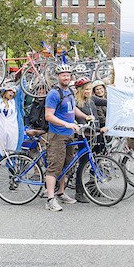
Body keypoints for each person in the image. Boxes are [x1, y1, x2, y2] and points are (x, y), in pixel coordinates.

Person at [43, 64, 94, 211]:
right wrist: (66, 124)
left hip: (69, 134)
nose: (66, 77)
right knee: (54, 167)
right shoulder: (54, 94)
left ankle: (61, 192)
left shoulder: (69, 91)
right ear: (58, 76)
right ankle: (50, 200)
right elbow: (48, 116)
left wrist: (85, 116)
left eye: (68, 75)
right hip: (57, 135)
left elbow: (73, 108)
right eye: (63, 75)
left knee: (67, 166)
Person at [0, 82, 25, 193]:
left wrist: (23, 72)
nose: (12, 93)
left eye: (13, 91)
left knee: (13, 157)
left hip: (14, 133)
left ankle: (12, 182)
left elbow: (23, 87)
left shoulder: (16, 101)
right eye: (9, 91)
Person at [74, 77, 107, 203]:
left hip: (96, 134)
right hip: (85, 136)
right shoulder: (77, 103)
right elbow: (80, 119)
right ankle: (79, 191)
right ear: (81, 90)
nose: (89, 91)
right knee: (83, 163)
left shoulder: (92, 99)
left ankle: (93, 187)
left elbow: (105, 102)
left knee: (96, 161)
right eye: (86, 89)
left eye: (90, 89)